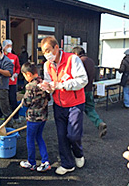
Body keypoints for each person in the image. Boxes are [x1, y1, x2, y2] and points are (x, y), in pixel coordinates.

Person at [39, 36, 88, 175]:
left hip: (75, 104)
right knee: (61, 136)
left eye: (48, 50)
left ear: (56, 47)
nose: (47, 54)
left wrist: (62, 85)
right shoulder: (47, 65)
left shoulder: (73, 59)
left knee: (73, 135)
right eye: (44, 52)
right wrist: (47, 86)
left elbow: (83, 80)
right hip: (58, 104)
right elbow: (50, 84)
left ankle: (78, 154)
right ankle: (67, 164)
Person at [19, 62, 51, 172]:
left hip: (33, 118)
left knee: (30, 139)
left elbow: (26, 103)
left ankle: (31, 162)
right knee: (39, 137)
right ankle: (45, 161)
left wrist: (23, 101)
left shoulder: (30, 86)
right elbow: (49, 98)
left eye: (24, 75)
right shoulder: (43, 82)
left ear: (28, 74)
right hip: (44, 116)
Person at [71, 47, 107, 138]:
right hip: (89, 89)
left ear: (75, 54)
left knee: (78, 110)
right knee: (90, 109)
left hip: (80, 90)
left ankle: (78, 129)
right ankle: (99, 123)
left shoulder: (79, 61)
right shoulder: (91, 61)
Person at [0, 39, 21, 121]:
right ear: (3, 47)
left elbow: (18, 67)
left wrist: (16, 74)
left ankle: (15, 116)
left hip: (12, 82)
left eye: (11, 45)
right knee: (2, 98)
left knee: (13, 99)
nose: (9, 47)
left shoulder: (14, 57)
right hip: (2, 82)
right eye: (8, 46)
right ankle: (0, 115)